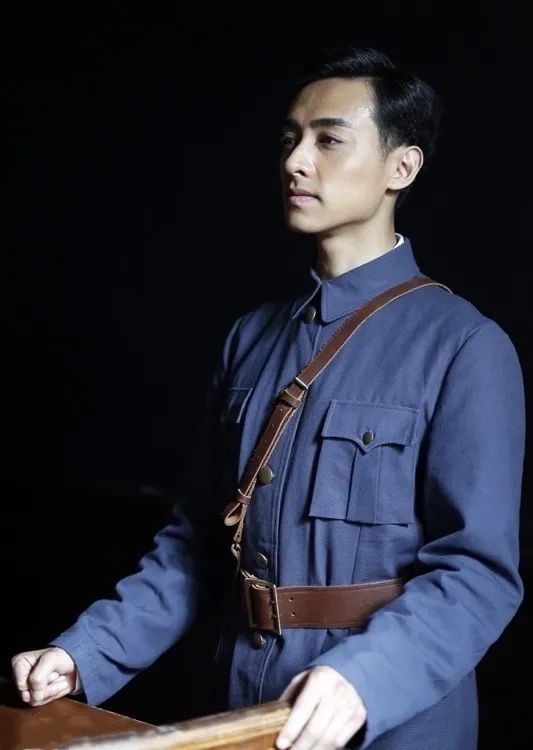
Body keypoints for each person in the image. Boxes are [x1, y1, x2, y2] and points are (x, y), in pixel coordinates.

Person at [12, 44, 525, 750]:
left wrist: (365, 680)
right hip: (239, 704)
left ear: (400, 168)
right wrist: (83, 654)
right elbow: (194, 546)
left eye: (328, 140)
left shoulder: (464, 345)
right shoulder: (249, 338)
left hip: (389, 719)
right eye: (289, 139)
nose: (295, 161)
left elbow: (477, 574)